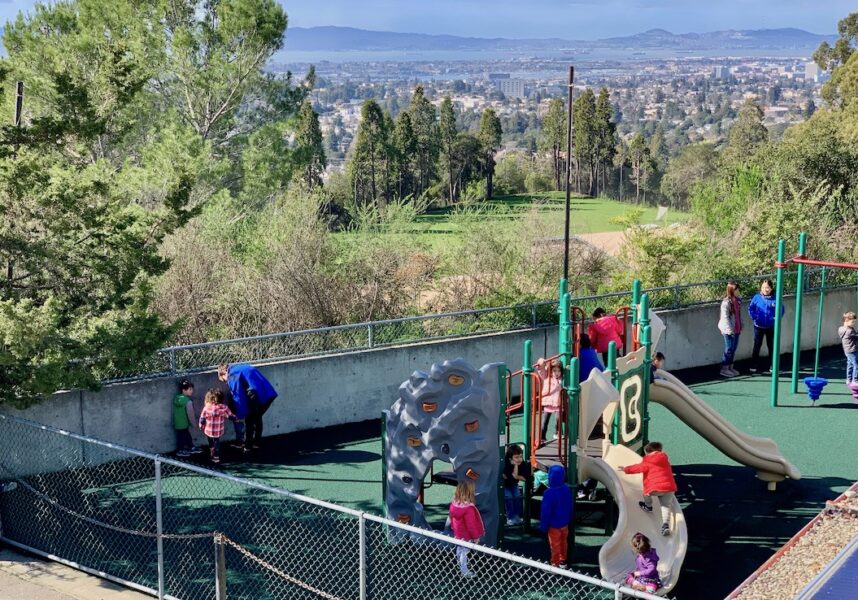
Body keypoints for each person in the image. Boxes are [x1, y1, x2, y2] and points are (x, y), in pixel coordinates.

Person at [619, 441, 678, 537]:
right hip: (669, 487)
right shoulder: (664, 458)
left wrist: (626, 469)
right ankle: (665, 525)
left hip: (655, 488)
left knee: (646, 493)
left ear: (648, 452)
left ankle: (648, 506)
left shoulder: (648, 460)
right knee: (665, 506)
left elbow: (638, 468)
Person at [218, 363, 278, 452]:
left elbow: (238, 396)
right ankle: (257, 442)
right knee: (257, 417)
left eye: (224, 380)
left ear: (223, 374)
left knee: (249, 420)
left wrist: (238, 415)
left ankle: (248, 446)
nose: (227, 382)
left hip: (256, 396)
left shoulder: (232, 375)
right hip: (268, 394)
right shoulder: (241, 367)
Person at [449, 480, 485, 578]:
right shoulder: (468, 508)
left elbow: (452, 517)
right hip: (466, 535)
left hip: (458, 533)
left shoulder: (454, 504)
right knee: (465, 551)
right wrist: (476, 537)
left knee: (460, 549)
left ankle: (460, 565)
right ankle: (464, 570)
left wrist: (453, 527)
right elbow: (471, 525)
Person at [540, 464, 573, 567]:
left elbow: (546, 512)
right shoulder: (566, 489)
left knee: (555, 544)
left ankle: (555, 564)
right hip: (564, 523)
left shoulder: (549, 493)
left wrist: (543, 526)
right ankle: (563, 560)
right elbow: (570, 505)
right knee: (563, 542)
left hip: (554, 525)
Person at [748, 279, 783, 374]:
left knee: (771, 346)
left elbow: (781, 309)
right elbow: (751, 308)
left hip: (771, 327)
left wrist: (776, 317)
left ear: (771, 288)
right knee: (757, 345)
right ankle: (754, 364)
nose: (765, 289)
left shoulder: (776, 298)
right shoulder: (756, 297)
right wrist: (754, 317)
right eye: (763, 287)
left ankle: (772, 365)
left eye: (767, 287)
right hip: (758, 326)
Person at [199, 388, 238, 464]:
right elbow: (231, 416)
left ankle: (211, 450)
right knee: (217, 443)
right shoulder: (224, 407)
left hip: (208, 430)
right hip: (218, 431)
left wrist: (201, 426)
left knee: (210, 441)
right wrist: (236, 418)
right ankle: (216, 457)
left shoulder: (206, 408)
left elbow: (202, 418)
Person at [535, 358, 563, 446]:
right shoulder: (547, 376)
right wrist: (541, 362)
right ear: (550, 370)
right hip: (548, 401)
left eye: (559, 371)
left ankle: (557, 432)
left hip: (558, 402)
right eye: (554, 370)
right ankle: (542, 437)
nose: (556, 373)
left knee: (558, 419)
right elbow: (540, 370)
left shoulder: (562, 379)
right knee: (545, 421)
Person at [717, 281, 742, 378]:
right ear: (731, 290)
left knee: (733, 348)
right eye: (736, 289)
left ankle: (730, 366)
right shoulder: (726, 303)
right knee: (728, 349)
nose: (738, 291)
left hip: (736, 329)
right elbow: (725, 318)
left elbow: (738, 315)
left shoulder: (738, 300)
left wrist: (741, 325)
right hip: (728, 330)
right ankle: (724, 368)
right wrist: (729, 330)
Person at [502, 444, 532, 526]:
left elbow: (526, 478)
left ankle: (517, 516)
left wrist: (516, 475)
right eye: (516, 457)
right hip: (505, 485)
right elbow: (512, 477)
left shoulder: (522, 464)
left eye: (520, 456)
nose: (519, 459)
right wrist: (515, 466)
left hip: (513, 484)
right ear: (510, 458)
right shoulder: (506, 464)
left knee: (517, 496)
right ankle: (510, 517)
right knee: (509, 498)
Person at [173, 380, 203, 457]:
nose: (192, 391)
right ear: (184, 390)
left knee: (184, 435)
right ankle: (180, 450)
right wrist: (194, 424)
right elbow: (191, 414)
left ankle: (190, 447)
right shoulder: (187, 401)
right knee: (182, 437)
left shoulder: (177, 398)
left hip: (178, 423)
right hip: (184, 423)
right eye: (190, 389)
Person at [838, 312, 858, 384]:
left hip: (847, 350)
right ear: (846, 320)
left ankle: (848, 379)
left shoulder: (841, 328)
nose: (854, 323)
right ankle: (855, 380)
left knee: (850, 364)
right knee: (856, 364)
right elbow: (856, 337)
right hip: (852, 350)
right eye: (852, 322)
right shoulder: (850, 330)